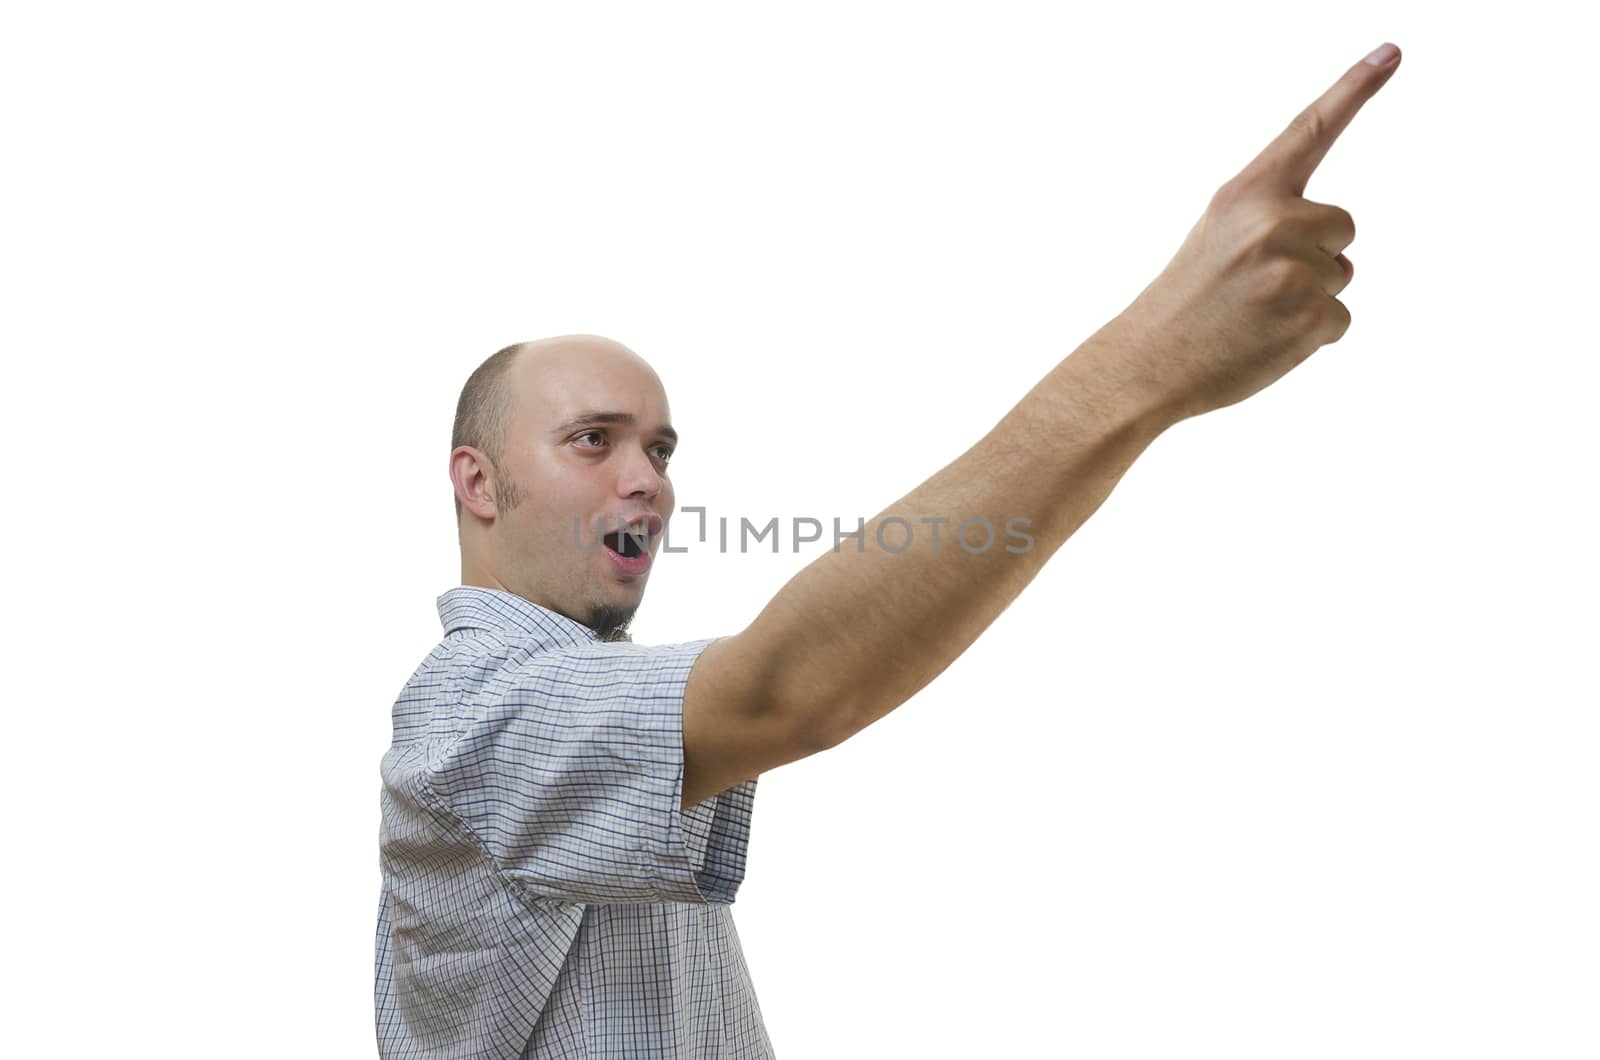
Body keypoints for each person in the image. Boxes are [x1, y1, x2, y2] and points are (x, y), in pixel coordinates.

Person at [376, 42, 1403, 1059]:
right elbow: (788, 687)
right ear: (476, 483)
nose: (646, 478)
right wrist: (1151, 361)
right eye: (592, 440)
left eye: (659, 447)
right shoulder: (474, 714)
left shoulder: (584, 705)